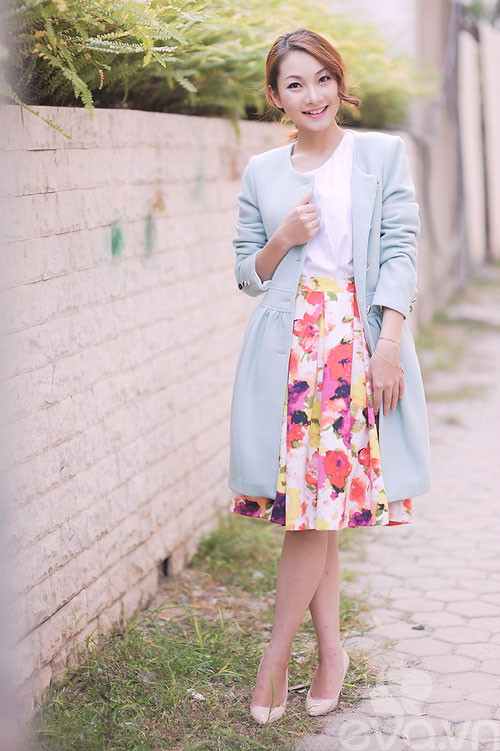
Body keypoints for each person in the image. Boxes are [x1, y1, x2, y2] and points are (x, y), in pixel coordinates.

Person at [227, 27, 431, 725]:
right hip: (288, 350)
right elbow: (246, 273)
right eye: (294, 84)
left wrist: (388, 344)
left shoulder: (379, 155)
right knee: (318, 511)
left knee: (315, 511)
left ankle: (276, 656)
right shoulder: (263, 171)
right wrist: (281, 238)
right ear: (275, 96)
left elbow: (401, 250)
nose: (311, 95)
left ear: (340, 82)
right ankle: (331, 653)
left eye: (322, 79)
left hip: (353, 345)